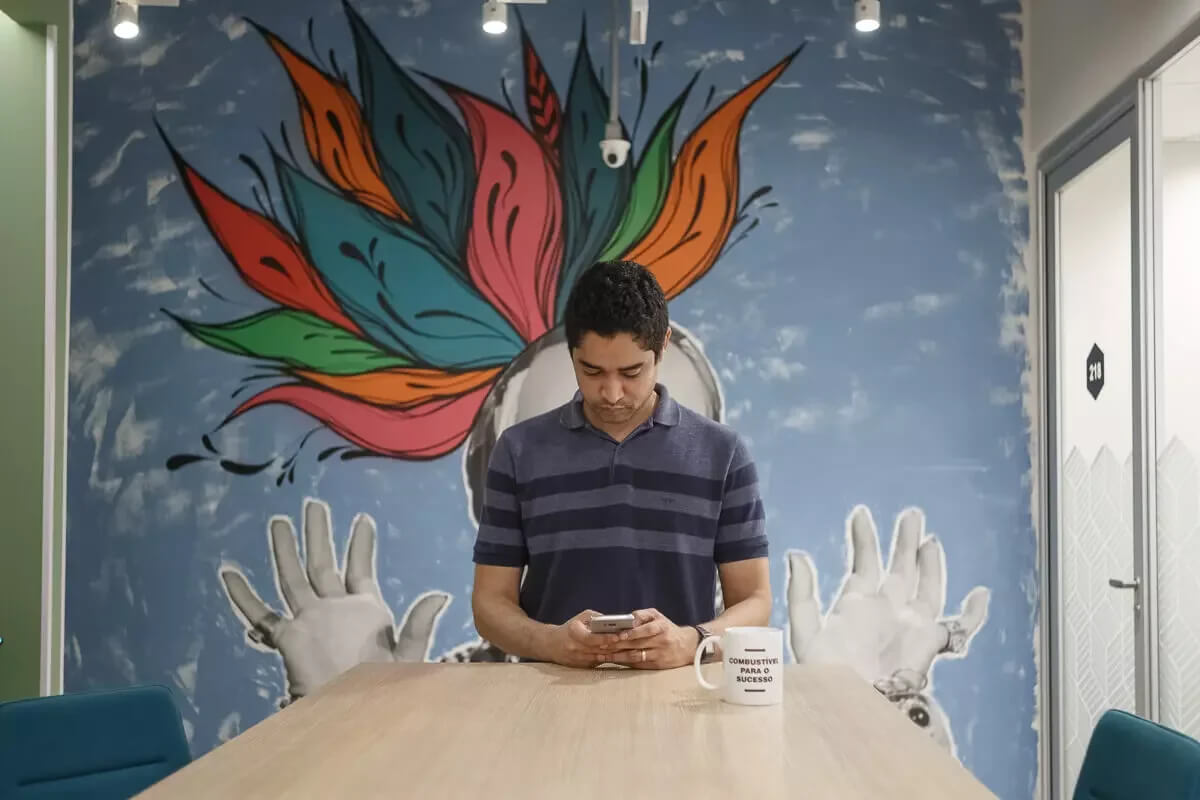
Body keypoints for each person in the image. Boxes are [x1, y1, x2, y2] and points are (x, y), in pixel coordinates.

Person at [471, 260, 771, 669]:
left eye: (632, 372)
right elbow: (490, 602)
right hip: (546, 701)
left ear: (661, 345)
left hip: (678, 701)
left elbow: (755, 601)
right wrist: (550, 642)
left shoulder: (724, 453)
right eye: (591, 370)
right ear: (571, 351)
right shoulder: (518, 450)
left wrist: (689, 643)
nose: (611, 393)